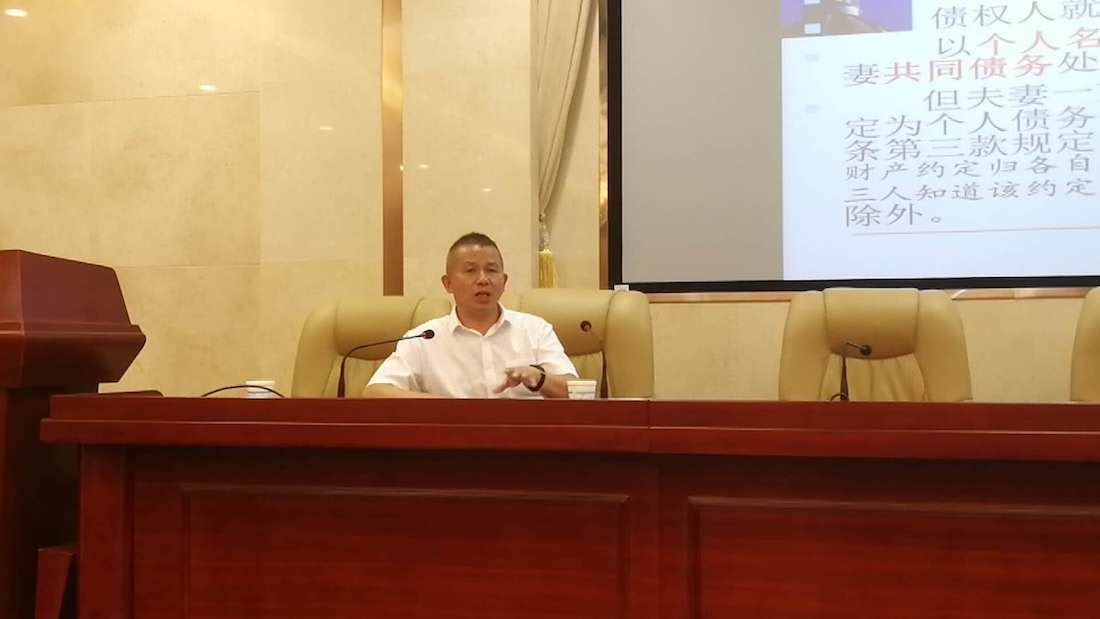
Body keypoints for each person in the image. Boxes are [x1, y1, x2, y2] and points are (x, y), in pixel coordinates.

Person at [363, 232, 578, 398]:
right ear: (448, 283)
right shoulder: (424, 338)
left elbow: (575, 391)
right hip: (451, 440)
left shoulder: (535, 330)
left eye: (491, 270)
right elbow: (374, 392)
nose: (483, 279)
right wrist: (442, 405)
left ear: (504, 281)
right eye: (470, 270)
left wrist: (540, 379)